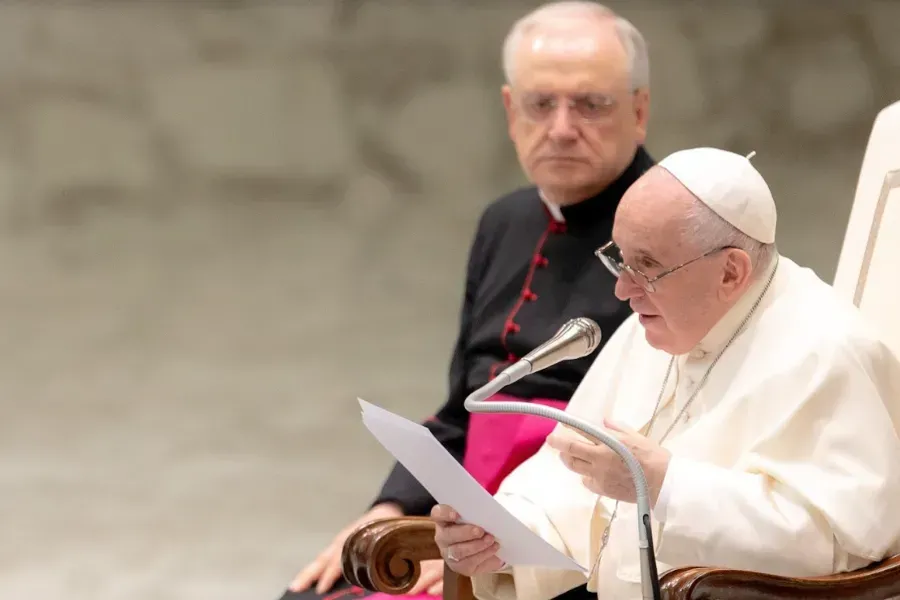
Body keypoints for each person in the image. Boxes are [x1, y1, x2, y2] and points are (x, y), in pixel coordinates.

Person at [280, 3, 654, 600]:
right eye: (540, 104)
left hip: (573, 536)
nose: (560, 127)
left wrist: (484, 544)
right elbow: (462, 410)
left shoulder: (672, 228)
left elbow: (664, 439)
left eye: (590, 104)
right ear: (510, 112)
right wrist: (390, 508)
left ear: (638, 111)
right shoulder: (503, 222)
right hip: (468, 509)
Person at [431, 146, 900, 600]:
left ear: (731, 273)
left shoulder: (829, 352)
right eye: (619, 257)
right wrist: (500, 533)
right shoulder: (655, 326)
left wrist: (663, 485)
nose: (621, 289)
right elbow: (569, 476)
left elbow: (836, 545)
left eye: (647, 267)